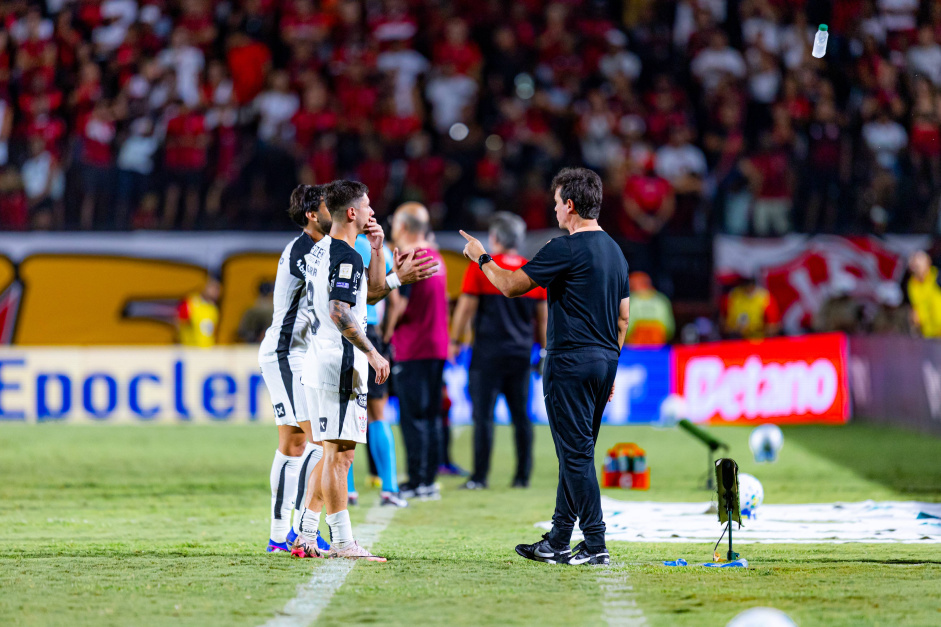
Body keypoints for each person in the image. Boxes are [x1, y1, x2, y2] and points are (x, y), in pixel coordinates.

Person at [460, 167, 630, 566]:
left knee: (575, 456)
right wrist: (611, 367)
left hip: (570, 361)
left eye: (556, 203)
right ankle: (557, 539)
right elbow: (623, 318)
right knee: (577, 452)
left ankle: (594, 543)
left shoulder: (564, 247)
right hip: (605, 360)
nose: (554, 211)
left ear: (570, 205)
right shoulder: (617, 252)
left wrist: (480, 257)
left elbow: (508, 285)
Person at [298, 181, 435, 560]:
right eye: (368, 205)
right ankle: (342, 542)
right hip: (340, 362)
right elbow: (340, 310)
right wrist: (373, 352)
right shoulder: (344, 254)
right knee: (340, 456)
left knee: (330, 453)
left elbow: (363, 296)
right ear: (353, 212)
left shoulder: (323, 250)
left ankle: (305, 533)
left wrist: (378, 256)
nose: (374, 212)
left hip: (320, 358)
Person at [257, 184, 332, 555]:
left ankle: (277, 535)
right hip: (287, 352)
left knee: (294, 443)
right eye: (327, 206)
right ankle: (300, 529)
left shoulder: (316, 249)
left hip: (294, 352)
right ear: (312, 215)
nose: (334, 211)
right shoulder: (304, 251)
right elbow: (335, 300)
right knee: (319, 441)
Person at [450, 212, 547, 490]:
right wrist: (543, 350)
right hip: (520, 356)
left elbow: (465, 309)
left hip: (486, 356)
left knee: (484, 418)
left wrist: (456, 340)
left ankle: (480, 477)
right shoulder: (531, 269)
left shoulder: (483, 268)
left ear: (494, 238)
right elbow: (543, 318)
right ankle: (522, 477)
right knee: (522, 418)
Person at [384, 202, 449, 501]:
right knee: (432, 415)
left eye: (395, 223)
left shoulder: (409, 256)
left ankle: (417, 479)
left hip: (412, 346)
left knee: (413, 417)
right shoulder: (437, 256)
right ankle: (429, 479)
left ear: (405, 227)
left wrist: (384, 336)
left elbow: (400, 304)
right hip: (437, 345)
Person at [624, 272, 674, 346]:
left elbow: (624, 329)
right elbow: (669, 329)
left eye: (630, 287)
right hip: (658, 349)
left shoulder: (631, 301)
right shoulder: (662, 301)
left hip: (633, 350)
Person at [177, 276, 220, 347]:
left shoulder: (213, 309)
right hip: (191, 350)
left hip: (207, 351)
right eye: (213, 287)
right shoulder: (189, 303)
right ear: (205, 286)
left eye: (217, 289)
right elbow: (179, 323)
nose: (215, 291)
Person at [907, 251, 941, 338]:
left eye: (919, 266)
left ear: (928, 263)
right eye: (915, 266)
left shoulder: (938, 277)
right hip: (927, 334)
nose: (917, 269)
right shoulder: (912, 284)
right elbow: (915, 305)